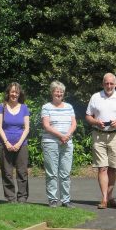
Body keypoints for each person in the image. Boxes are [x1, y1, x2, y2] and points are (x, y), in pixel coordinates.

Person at [85, 73, 116, 208]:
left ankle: (110, 197)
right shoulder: (95, 97)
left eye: (111, 83)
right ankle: (104, 199)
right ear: (103, 84)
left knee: (112, 168)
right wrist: (95, 121)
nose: (109, 86)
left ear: (115, 84)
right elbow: (88, 116)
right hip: (99, 135)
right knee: (102, 168)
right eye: (106, 83)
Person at [41, 80, 76, 208]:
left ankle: (66, 200)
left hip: (67, 142)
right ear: (52, 92)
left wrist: (67, 136)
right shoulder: (46, 107)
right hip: (51, 142)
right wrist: (61, 135)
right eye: (57, 91)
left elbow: (74, 124)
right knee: (52, 173)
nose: (59, 94)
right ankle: (53, 199)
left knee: (65, 173)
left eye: (61, 92)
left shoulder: (69, 107)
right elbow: (46, 125)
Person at [0, 81, 30, 203]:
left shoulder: (24, 108)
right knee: (7, 172)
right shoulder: (2, 107)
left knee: (22, 172)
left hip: (22, 144)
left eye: (17, 92)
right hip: (5, 144)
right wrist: (7, 142)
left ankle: (22, 197)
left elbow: (27, 128)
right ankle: (10, 197)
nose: (14, 94)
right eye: (12, 91)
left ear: (19, 94)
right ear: (8, 93)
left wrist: (19, 143)